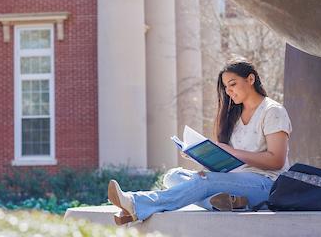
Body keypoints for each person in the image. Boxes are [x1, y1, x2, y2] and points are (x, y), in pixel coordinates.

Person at [108, 59, 292, 225]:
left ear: (250, 79)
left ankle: (135, 203)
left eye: (233, 84)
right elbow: (230, 162)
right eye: (226, 87)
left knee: (203, 182)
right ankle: (229, 202)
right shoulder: (234, 117)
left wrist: (232, 152)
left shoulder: (272, 111)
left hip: (266, 184)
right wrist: (201, 155)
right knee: (173, 176)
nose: (229, 91)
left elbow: (276, 160)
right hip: (237, 180)